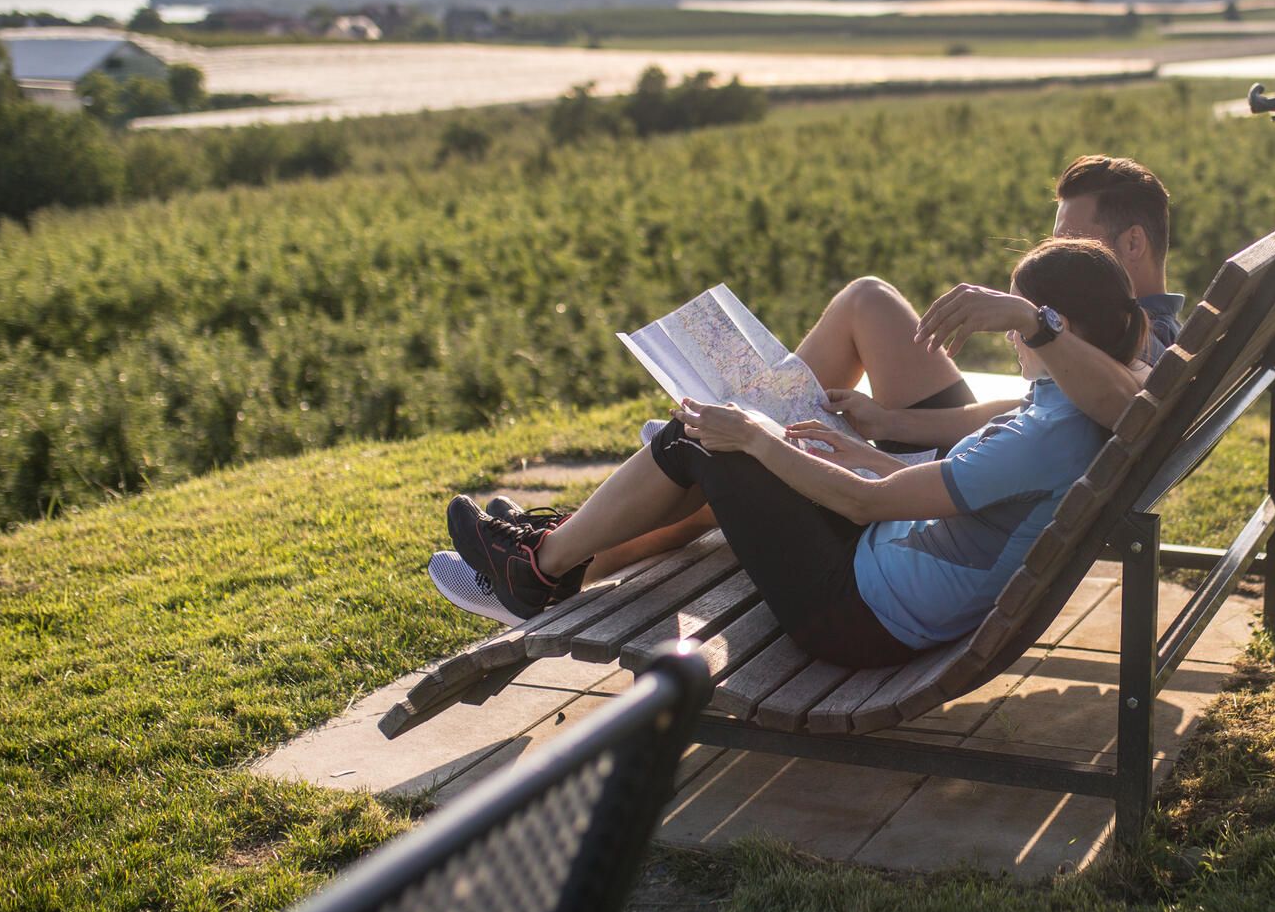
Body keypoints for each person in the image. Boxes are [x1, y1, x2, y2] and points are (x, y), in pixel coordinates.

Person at [446, 238, 1149, 666]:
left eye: (1015, 325)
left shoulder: (1050, 432)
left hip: (857, 616)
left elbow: (866, 504)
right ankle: (548, 553)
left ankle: (538, 568)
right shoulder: (1076, 407)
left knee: (705, 437)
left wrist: (758, 437)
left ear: (1061, 328)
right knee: (734, 431)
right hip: (888, 566)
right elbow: (920, 489)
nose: (1008, 338)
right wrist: (860, 448)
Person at [596, 154, 1180, 565]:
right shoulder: (1123, 332)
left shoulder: (1139, 338)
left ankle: (582, 552)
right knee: (866, 302)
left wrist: (1032, 319)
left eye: (1071, 240)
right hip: (995, 463)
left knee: (743, 447)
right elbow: (1037, 403)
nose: (1058, 255)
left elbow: (1119, 409)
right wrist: (894, 422)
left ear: (1133, 243)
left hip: (982, 484)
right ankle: (603, 527)